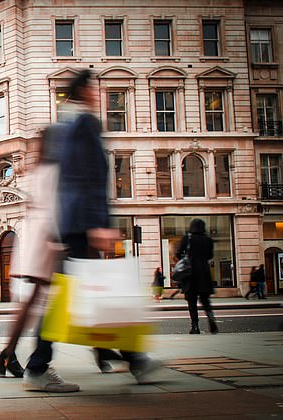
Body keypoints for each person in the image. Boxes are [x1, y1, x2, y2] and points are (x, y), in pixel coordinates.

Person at [22, 70, 160, 392]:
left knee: (79, 295)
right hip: (83, 224)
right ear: (84, 91)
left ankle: (135, 359)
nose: (99, 95)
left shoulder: (64, 126)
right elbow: (88, 176)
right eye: (95, 89)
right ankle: (39, 367)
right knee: (76, 297)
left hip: (71, 224)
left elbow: (65, 181)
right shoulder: (84, 124)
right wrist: (99, 223)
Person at [177, 218, 218, 335]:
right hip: (204, 273)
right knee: (205, 300)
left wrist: (185, 258)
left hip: (190, 274)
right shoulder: (208, 240)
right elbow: (210, 255)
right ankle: (210, 317)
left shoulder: (188, 238)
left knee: (192, 301)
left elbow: (178, 253)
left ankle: (195, 326)